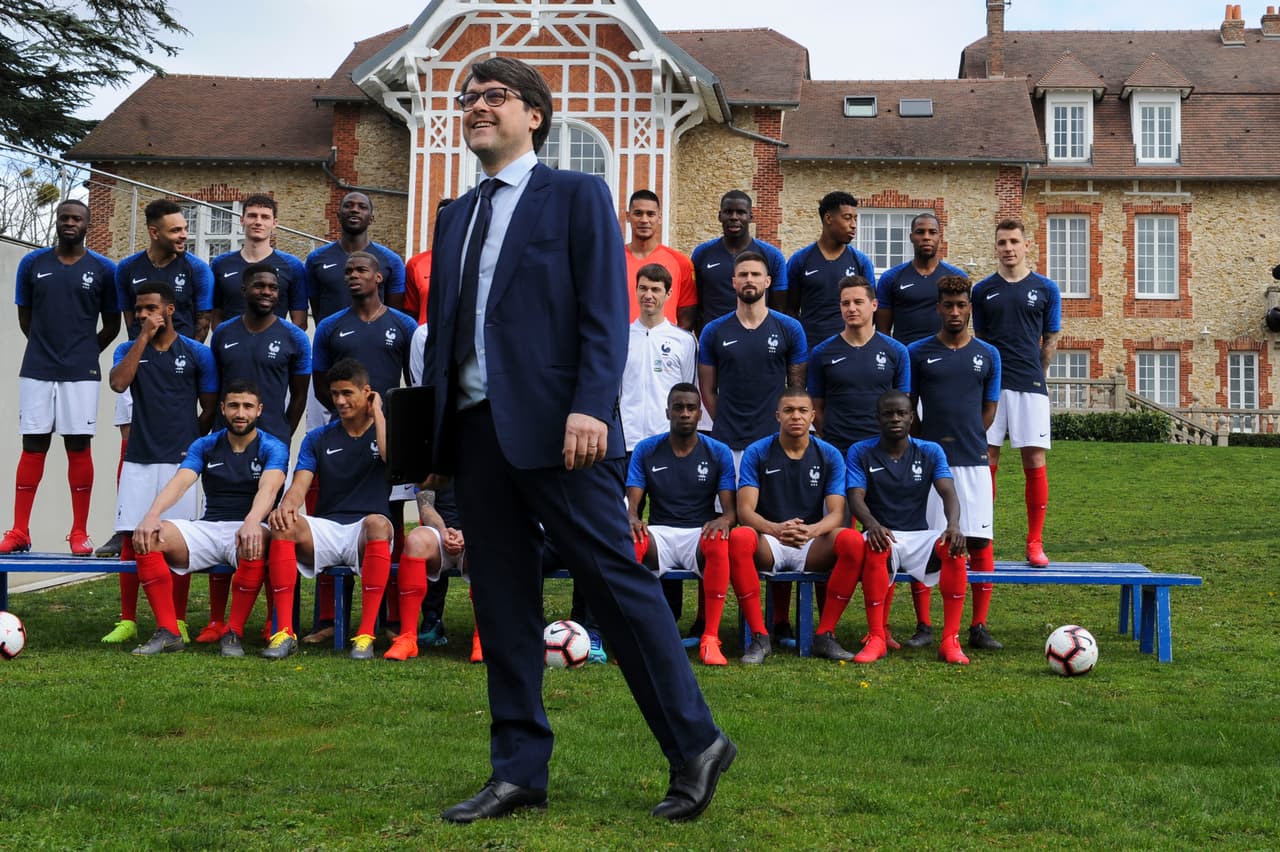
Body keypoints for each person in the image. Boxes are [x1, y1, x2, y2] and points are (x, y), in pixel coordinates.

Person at [421, 56, 732, 824]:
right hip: (475, 432)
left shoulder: (577, 195)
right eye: (468, 99)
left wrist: (591, 406)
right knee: (500, 599)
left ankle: (695, 743)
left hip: (566, 433)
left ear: (534, 115)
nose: (475, 108)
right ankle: (519, 769)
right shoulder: (454, 214)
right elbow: (449, 335)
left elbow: (603, 307)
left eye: (493, 97)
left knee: (618, 585)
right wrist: (432, 448)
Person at [128, 380, 289, 655]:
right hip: (209, 526)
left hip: (249, 525)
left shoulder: (272, 446)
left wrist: (252, 521)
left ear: (259, 410)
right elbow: (181, 481)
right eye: (234, 406)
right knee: (150, 537)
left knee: (256, 539)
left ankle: (233, 633)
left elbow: (269, 487)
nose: (241, 413)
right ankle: (169, 632)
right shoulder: (205, 445)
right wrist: (151, 515)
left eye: (248, 406)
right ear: (223, 409)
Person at [306, 251, 416, 643]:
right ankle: (326, 620)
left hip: (388, 436)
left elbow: (413, 382)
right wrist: (346, 418)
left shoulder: (403, 325)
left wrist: (384, 420)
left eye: (360, 271)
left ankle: (391, 618)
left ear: (380, 278)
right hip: (343, 435)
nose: (352, 276)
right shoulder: (331, 327)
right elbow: (321, 383)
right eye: (348, 271)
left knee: (390, 525)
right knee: (330, 515)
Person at [2, 199, 120, 555]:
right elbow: (27, 319)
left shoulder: (104, 269)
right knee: (33, 445)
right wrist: (47, 348)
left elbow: (112, 325)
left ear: (87, 223)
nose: (70, 223)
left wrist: (83, 352)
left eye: (77, 218)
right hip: (37, 368)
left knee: (78, 446)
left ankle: (79, 533)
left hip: (81, 373)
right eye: (64, 217)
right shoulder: (32, 263)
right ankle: (20, 530)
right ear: (57, 222)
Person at [102, 281, 217, 646]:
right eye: (138, 310)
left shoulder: (197, 353)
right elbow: (118, 384)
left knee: (175, 541)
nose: (142, 315)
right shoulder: (129, 348)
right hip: (138, 458)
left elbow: (210, 406)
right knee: (130, 537)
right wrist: (142, 339)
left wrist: (190, 445)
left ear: (170, 310)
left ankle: (177, 620)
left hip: (179, 464)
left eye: (150, 309)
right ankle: (128, 619)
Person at [98, 198, 214, 558]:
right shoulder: (127, 268)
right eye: (176, 230)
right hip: (137, 362)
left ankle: (180, 529)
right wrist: (144, 345)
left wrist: (180, 352)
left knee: (177, 435)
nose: (184, 235)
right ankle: (124, 527)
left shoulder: (196, 269)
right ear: (154, 232)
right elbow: (126, 318)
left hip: (178, 364)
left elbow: (203, 319)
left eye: (185, 228)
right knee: (130, 438)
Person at [203, 262, 311, 642]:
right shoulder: (224, 334)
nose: (267, 292)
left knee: (274, 528)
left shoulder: (295, 337)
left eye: (273, 287)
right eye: (259, 285)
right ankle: (218, 619)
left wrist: (282, 434)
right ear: (244, 288)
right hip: (227, 443)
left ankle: (275, 619)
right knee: (220, 524)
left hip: (271, 445)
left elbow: (299, 395)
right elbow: (213, 390)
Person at [265, 358, 394, 661]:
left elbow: (392, 460)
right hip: (328, 528)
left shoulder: (386, 431)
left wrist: (378, 413)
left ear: (367, 393)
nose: (340, 401)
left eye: (348, 393)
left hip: (367, 529)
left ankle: (365, 636)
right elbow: (300, 485)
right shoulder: (318, 438)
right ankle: (284, 632)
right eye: (335, 394)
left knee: (377, 522)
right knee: (283, 524)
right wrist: (286, 506)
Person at [909, 275, 1004, 652]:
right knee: (929, 542)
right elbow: (908, 407)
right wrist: (928, 446)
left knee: (979, 544)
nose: (954, 311)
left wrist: (969, 438)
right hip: (932, 465)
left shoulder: (988, 355)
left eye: (961, 305)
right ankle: (924, 624)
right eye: (947, 305)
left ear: (970, 307)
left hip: (973, 462)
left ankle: (978, 626)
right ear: (937, 307)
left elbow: (990, 409)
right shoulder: (917, 352)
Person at [727, 387, 854, 663]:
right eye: (788, 410)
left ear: (813, 416)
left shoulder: (830, 455)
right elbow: (745, 510)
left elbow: (836, 513)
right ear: (777, 416)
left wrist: (811, 531)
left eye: (802, 411)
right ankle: (759, 637)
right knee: (739, 538)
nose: (795, 416)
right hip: (770, 539)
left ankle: (826, 634)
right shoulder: (758, 451)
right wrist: (776, 529)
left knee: (852, 541)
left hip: (810, 540)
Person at [845, 391, 970, 665]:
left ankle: (950, 640)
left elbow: (948, 492)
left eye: (901, 413)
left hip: (918, 536)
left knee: (954, 547)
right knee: (877, 545)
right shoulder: (860, 451)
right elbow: (855, 497)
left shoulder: (930, 450)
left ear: (912, 418)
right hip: (881, 532)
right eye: (888, 414)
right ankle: (877, 637)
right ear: (877, 418)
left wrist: (954, 526)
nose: (895, 418)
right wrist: (872, 524)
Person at [972, 219, 1062, 567]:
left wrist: (1038, 374)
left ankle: (1034, 542)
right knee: (985, 464)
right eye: (1001, 242)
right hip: (990, 388)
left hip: (1030, 386)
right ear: (995, 247)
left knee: (1034, 461)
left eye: (1013, 241)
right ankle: (981, 541)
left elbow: (1051, 339)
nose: (1008, 248)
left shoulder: (1046, 288)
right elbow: (979, 339)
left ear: (1027, 245)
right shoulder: (982, 291)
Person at [626, 384, 736, 666]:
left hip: (697, 533)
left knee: (719, 540)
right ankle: (633, 637)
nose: (685, 413)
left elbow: (730, 512)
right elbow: (632, 506)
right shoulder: (647, 449)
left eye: (691, 408)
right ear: (667, 412)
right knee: (631, 540)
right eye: (678, 407)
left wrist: (723, 519)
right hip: (660, 534)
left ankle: (710, 638)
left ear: (701, 414)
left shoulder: (718, 452)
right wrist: (632, 518)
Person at [303, 192, 406, 431]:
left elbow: (394, 311)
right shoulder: (317, 259)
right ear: (337, 213)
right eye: (348, 206)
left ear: (371, 217)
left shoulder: (391, 261)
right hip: (335, 355)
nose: (355, 210)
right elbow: (317, 308)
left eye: (362, 207)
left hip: (380, 357)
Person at [698, 251, 807, 470]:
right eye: (743, 274)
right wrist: (725, 420)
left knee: (771, 505)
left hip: (774, 439)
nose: (749, 279)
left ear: (767, 281)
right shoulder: (713, 331)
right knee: (727, 505)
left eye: (756, 274)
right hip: (727, 440)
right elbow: (707, 390)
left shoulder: (790, 328)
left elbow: (797, 388)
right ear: (733, 281)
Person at [807, 276, 910, 455]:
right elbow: (816, 405)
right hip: (838, 450)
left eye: (858, 302)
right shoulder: (821, 352)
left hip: (881, 449)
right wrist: (831, 438)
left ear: (874, 305)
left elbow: (902, 405)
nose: (851, 308)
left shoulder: (897, 351)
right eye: (845, 303)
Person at [784, 191, 876, 347]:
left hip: (849, 347)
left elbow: (870, 309)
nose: (853, 225)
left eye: (855, 219)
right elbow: (790, 310)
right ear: (828, 219)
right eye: (847, 218)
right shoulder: (800, 260)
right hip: (810, 347)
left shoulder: (861, 261)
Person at [209, 194, 308, 329]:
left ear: (275, 223)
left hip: (273, 347)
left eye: (265, 217)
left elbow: (299, 322)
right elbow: (216, 316)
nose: (258, 222)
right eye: (252, 216)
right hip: (231, 347)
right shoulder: (221, 264)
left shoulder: (292, 266)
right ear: (242, 220)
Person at [690, 191, 786, 329]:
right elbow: (695, 303)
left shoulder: (772, 255)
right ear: (719, 216)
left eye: (740, 212)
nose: (734, 217)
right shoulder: (702, 253)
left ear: (750, 217)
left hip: (757, 338)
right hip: (714, 338)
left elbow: (779, 308)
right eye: (728, 212)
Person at [874, 212, 967, 345]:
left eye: (932, 232)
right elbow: (883, 332)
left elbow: (961, 328)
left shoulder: (957, 277)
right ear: (911, 237)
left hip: (944, 358)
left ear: (939, 237)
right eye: (920, 232)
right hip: (907, 358)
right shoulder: (891, 278)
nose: (926, 237)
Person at [624, 190, 696, 329]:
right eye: (638, 213)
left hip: (663, 347)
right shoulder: (612, 260)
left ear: (660, 217)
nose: (644, 220)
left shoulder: (680, 262)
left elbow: (687, 315)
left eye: (650, 214)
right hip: (621, 345)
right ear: (628, 216)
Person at [403, 197, 454, 325]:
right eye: (441, 218)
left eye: (452, 217)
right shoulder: (415, 264)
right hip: (426, 339)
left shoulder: (476, 264)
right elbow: (410, 313)